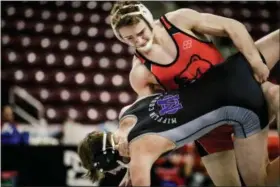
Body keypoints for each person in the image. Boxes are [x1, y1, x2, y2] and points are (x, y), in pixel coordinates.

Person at [109, 1, 280, 186]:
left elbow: (232, 26)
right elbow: (144, 116)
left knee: (274, 93)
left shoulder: (179, 21)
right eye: (130, 39)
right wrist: (131, 161)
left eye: (141, 32)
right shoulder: (140, 72)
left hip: (232, 87)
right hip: (209, 130)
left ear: (149, 20)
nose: (139, 41)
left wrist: (256, 61)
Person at [78, 53, 278, 186]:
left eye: (120, 163)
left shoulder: (139, 154)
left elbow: (137, 157)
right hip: (224, 73)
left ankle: (272, 97)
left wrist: (132, 167)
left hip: (239, 106)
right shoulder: (127, 112)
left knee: (261, 183)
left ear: (113, 155)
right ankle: (272, 95)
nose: (125, 164)